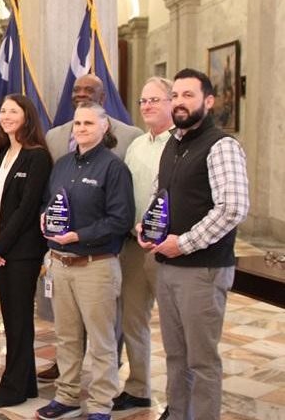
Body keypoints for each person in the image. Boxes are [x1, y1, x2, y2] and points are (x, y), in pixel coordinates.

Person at [138, 68, 249, 420]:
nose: (180, 102)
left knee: (201, 361)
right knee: (175, 355)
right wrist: (149, 228)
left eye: (189, 95)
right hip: (168, 265)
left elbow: (233, 208)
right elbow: (163, 196)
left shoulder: (221, 145)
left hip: (202, 270)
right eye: (176, 96)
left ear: (209, 101)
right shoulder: (173, 143)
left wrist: (183, 243)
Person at [37, 73, 143, 382]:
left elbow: (120, 219)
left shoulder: (115, 164)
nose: (81, 128)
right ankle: (67, 395)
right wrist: (46, 216)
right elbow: (50, 200)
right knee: (67, 337)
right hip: (61, 261)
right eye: (78, 124)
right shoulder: (62, 161)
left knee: (102, 340)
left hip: (97, 262)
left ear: (104, 124)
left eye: (89, 123)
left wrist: (79, 235)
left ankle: (100, 403)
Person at [0, 95, 52, 408]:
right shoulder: (2, 154)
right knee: (12, 319)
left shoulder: (37, 157)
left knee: (20, 319)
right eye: (2, 110)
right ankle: (27, 383)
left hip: (21, 252)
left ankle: (13, 388)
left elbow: (26, 209)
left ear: (27, 116)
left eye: (13, 111)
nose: (6, 115)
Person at [112, 77, 174, 412]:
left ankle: (178, 399)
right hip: (135, 247)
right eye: (143, 100)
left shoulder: (181, 144)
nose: (147, 106)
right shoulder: (136, 144)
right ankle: (138, 387)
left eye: (155, 100)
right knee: (134, 319)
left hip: (170, 249)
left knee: (175, 325)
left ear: (171, 102)